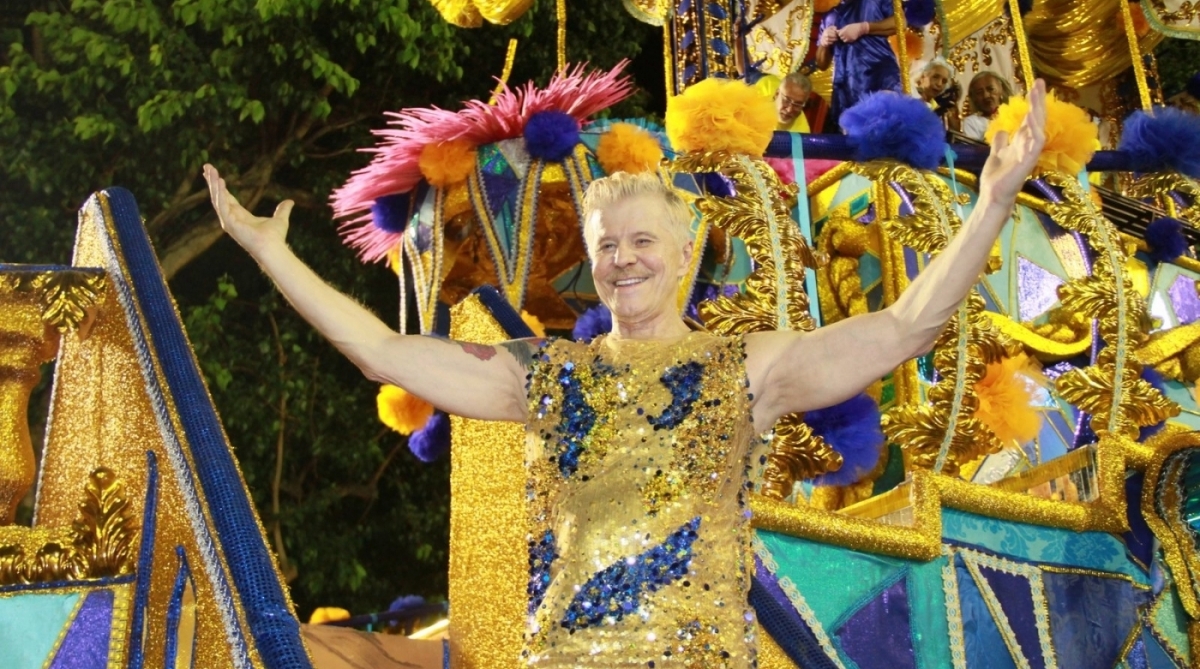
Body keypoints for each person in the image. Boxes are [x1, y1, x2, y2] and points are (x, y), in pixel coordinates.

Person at [204, 80, 1048, 668]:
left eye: (643, 241)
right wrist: (277, 259)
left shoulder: (745, 368)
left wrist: (993, 205)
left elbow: (905, 326)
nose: (623, 259)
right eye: (608, 246)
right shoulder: (547, 377)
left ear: (685, 255)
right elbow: (384, 354)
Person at [814, 0, 900, 126]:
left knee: (883, 130)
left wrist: (864, 28)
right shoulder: (829, 16)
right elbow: (822, 64)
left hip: (880, 78)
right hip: (846, 88)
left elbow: (899, 22)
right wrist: (824, 43)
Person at [963, 70, 1014, 141]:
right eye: (979, 93)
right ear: (974, 98)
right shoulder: (972, 122)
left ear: (1000, 89)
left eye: (991, 89)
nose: (986, 96)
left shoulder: (1014, 114)